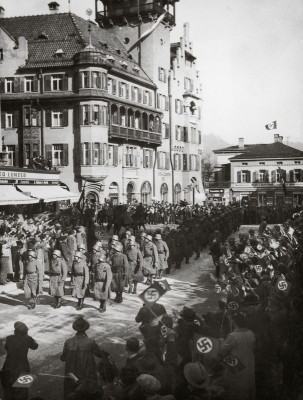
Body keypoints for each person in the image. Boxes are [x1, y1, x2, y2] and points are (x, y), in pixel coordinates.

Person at [60, 317, 108, 399]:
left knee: (72, 396)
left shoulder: (68, 342)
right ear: (86, 328)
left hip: (72, 376)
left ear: (75, 328)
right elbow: (100, 354)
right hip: (87, 375)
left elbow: (63, 358)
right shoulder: (91, 342)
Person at [220, 312, 256, 400]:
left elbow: (221, 352)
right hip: (250, 364)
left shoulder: (232, 336)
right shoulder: (251, 333)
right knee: (249, 386)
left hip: (237, 366)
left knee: (238, 389)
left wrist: (221, 341)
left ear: (235, 322)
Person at [1, 321, 38, 400]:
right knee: (22, 394)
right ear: (25, 330)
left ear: (15, 330)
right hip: (22, 368)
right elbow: (35, 346)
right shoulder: (28, 338)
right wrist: (27, 336)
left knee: (7, 394)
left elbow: (7, 348)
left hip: (7, 368)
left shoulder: (9, 338)